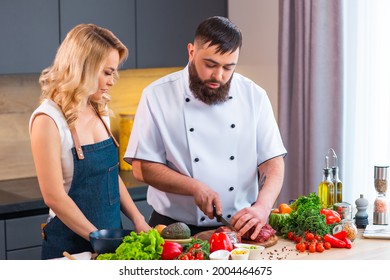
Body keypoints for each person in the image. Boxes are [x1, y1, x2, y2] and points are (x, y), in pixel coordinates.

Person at [124, 16, 286, 239]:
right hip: (173, 231)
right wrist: (194, 187)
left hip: (238, 229)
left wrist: (263, 207)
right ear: (191, 52)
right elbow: (142, 168)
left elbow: (272, 162)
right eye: (210, 65)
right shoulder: (157, 95)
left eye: (228, 67)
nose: (218, 76)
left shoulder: (254, 95)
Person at [29, 23, 150, 259]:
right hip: (69, 249)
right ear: (83, 68)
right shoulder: (48, 119)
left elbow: (110, 174)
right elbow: (53, 195)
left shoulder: (99, 108)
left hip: (108, 245)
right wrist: (97, 238)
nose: (113, 80)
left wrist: (138, 219)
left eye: (114, 72)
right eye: (107, 72)